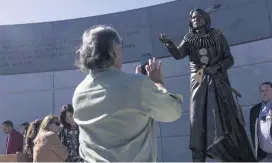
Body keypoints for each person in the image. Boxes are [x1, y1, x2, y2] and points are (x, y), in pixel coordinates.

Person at [73, 25, 182, 162]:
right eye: (120, 47)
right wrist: (156, 83)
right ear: (113, 51)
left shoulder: (79, 92)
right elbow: (173, 111)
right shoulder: (137, 85)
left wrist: (139, 86)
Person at [159, 9, 256, 162]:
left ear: (205, 19)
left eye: (199, 17)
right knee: (197, 117)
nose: (196, 19)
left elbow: (229, 59)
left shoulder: (218, 37)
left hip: (218, 79)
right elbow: (178, 55)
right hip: (198, 79)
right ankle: (198, 157)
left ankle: (232, 153)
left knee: (226, 116)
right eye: (193, 18)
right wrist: (168, 44)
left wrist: (217, 67)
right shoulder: (189, 38)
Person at [250, 82, 272, 161]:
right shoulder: (254, 110)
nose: (264, 92)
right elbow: (253, 132)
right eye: (262, 91)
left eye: (266, 90)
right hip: (263, 155)